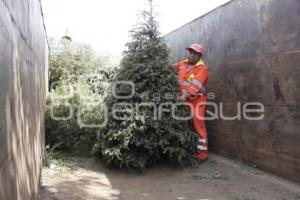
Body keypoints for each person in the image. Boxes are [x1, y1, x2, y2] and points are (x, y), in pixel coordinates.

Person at [174, 43, 209, 162]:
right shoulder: (182, 64)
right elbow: (172, 68)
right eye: (190, 52)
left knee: (198, 126)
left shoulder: (202, 69)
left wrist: (185, 95)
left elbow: (195, 85)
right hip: (184, 101)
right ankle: (187, 151)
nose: (191, 55)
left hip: (197, 102)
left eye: (194, 53)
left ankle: (202, 155)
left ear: (199, 56)